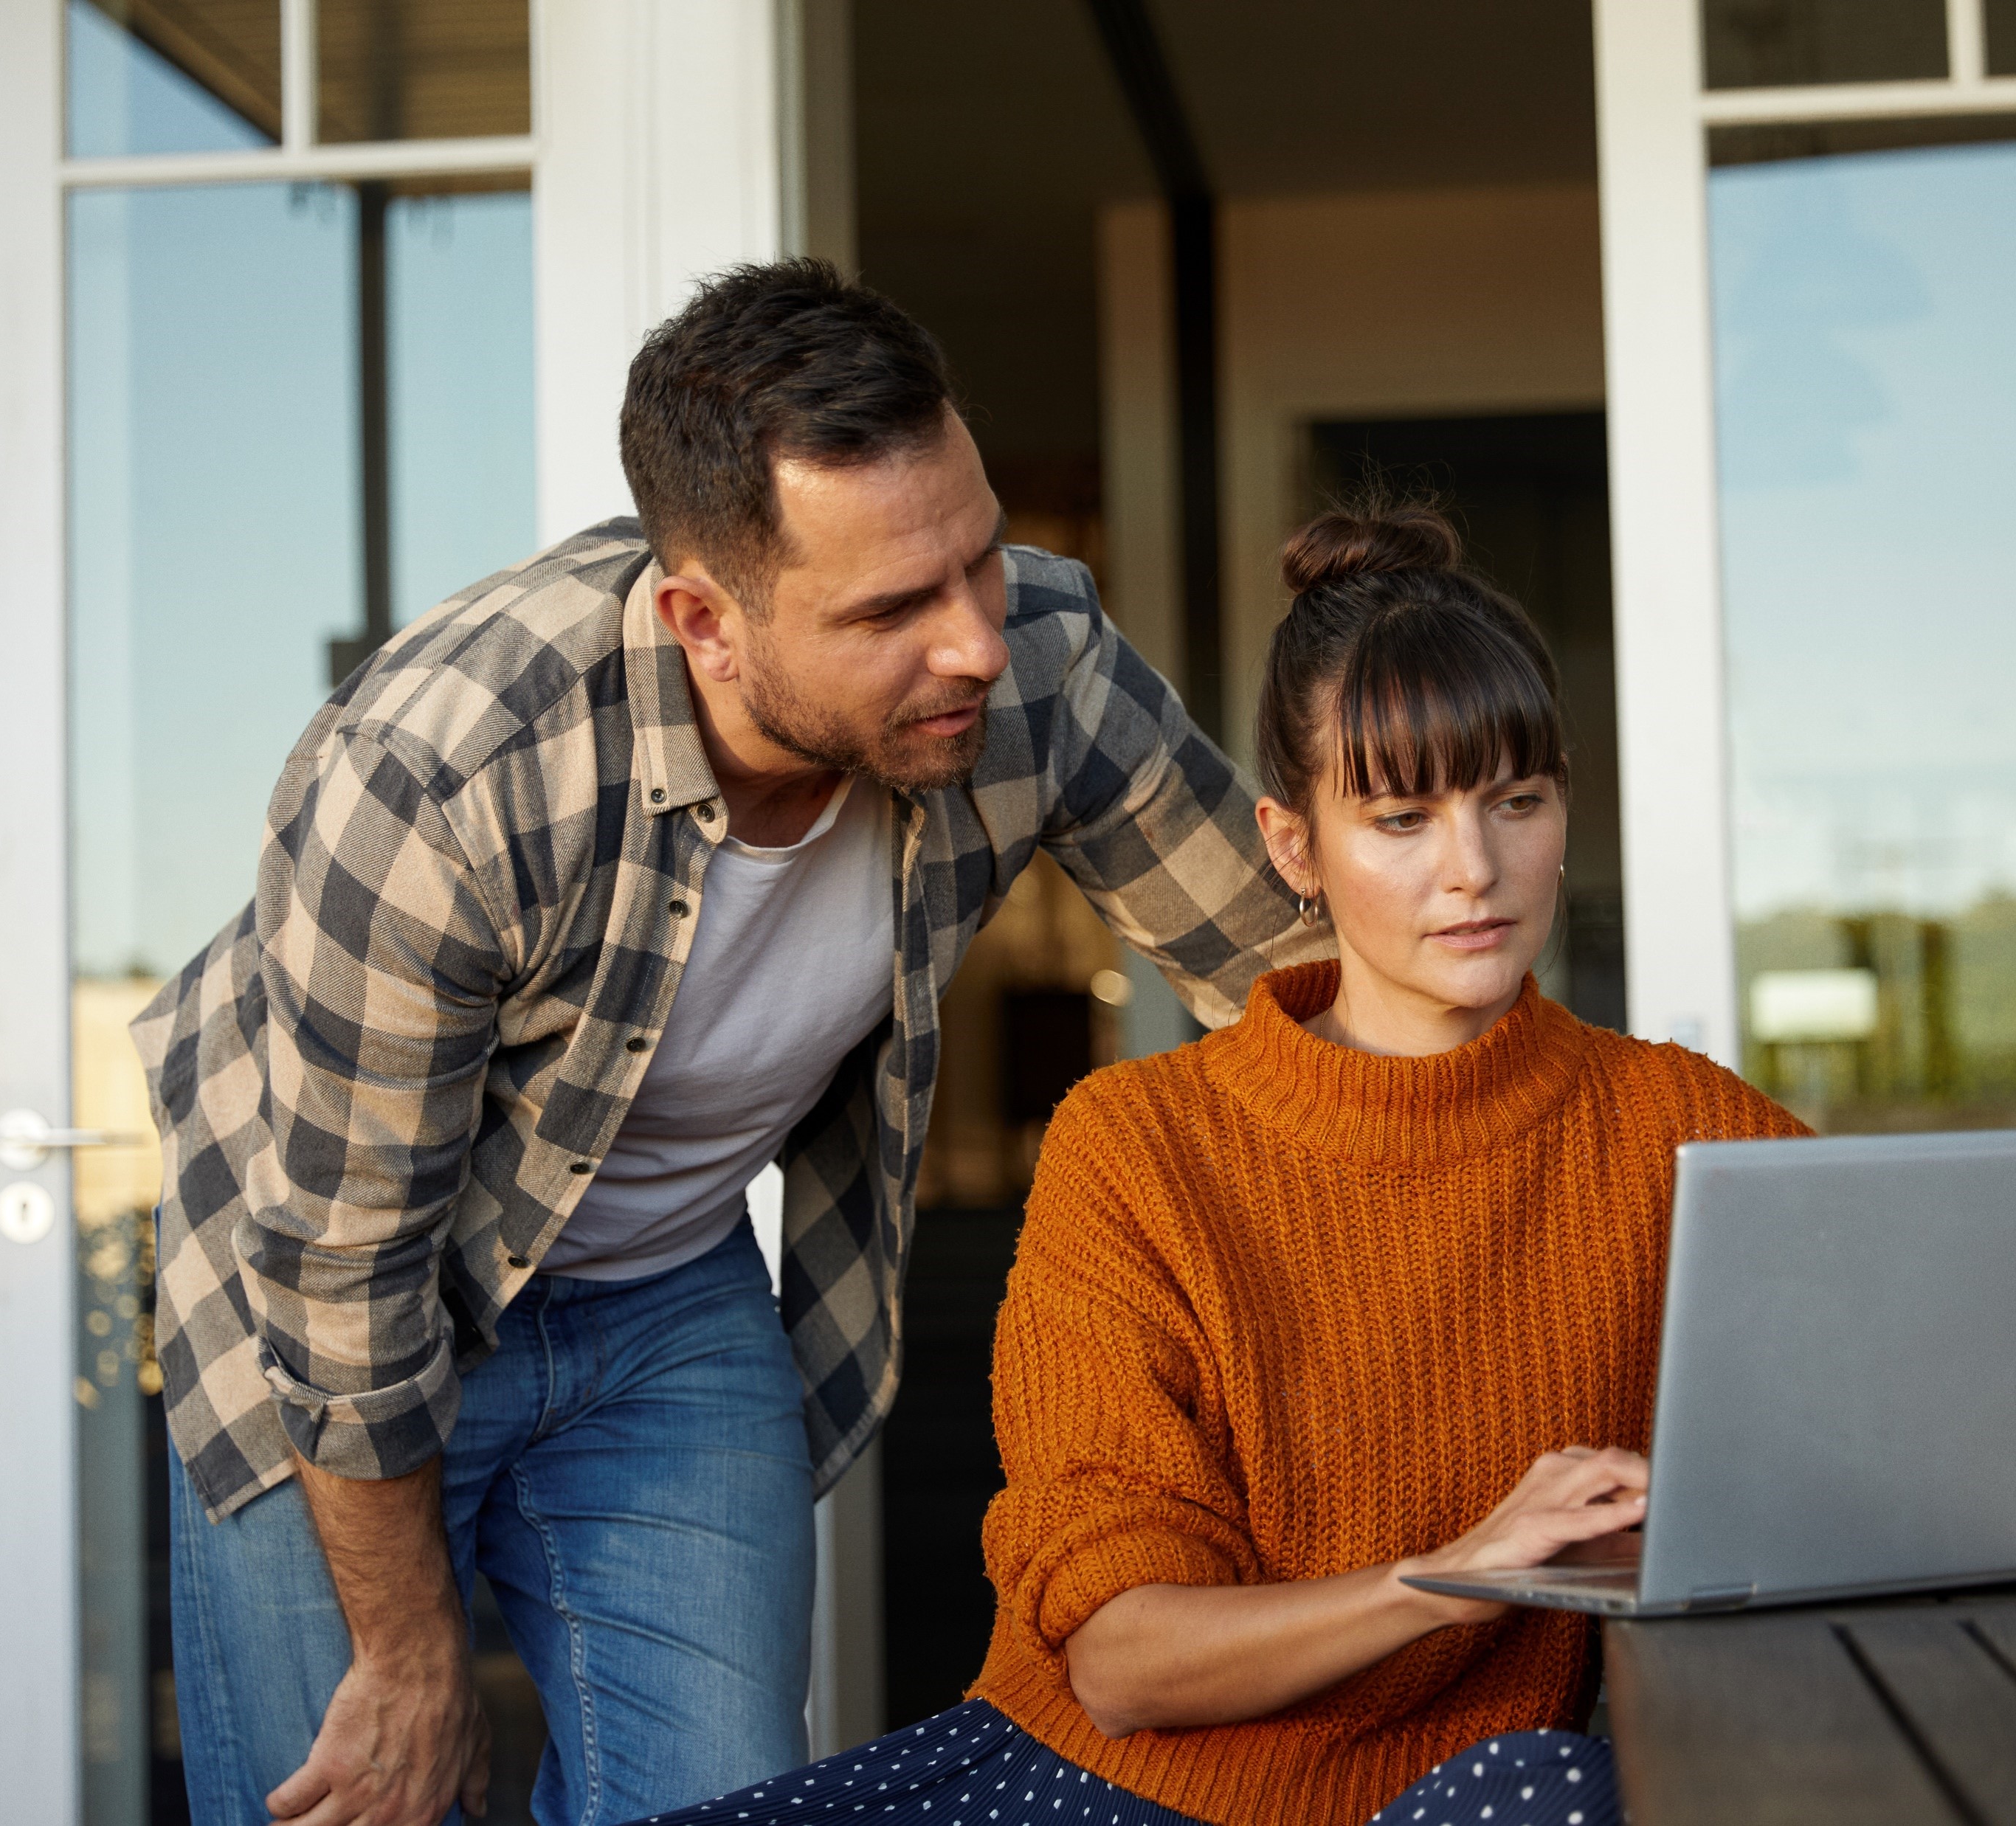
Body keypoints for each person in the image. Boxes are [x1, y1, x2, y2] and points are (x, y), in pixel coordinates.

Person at [133, 258, 1327, 1826]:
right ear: (702, 618)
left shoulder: (1033, 655)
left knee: (730, 1801)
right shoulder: (442, 772)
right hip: (330, 1310)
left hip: (667, 1300)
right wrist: (412, 1650)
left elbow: (1290, 972)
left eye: (973, 556)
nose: (973, 639)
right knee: (364, 1789)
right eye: (893, 607)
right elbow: (342, 1273)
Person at [642, 504, 1808, 1826]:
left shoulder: (1679, 1130)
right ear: (1293, 846)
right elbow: (1124, 1663)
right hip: (1086, 1787)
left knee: (1560, 1787)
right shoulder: (1137, 1148)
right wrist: (1462, 1571)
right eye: (1401, 818)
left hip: (1466, 1798)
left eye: (1516, 803)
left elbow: (1908, 1407)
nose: (1474, 872)